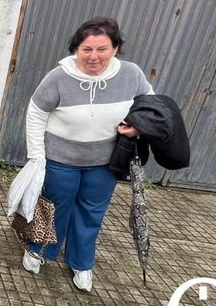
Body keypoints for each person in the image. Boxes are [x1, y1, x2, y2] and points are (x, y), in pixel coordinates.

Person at [18, 17, 152, 292]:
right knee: (54, 208)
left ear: (115, 48)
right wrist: (36, 155)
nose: (94, 56)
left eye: (101, 49)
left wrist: (138, 126)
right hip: (59, 159)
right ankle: (39, 250)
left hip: (104, 161)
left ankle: (81, 262)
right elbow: (36, 113)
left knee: (92, 212)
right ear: (75, 49)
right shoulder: (58, 77)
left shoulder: (131, 75)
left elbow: (151, 106)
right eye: (86, 49)